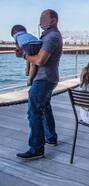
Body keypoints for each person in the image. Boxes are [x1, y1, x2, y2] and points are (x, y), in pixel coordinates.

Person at [16, 9, 63, 160]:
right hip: (49, 77)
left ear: (53, 20)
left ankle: (36, 148)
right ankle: (51, 137)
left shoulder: (52, 37)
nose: (40, 21)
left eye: (44, 18)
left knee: (34, 111)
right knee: (44, 107)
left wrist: (23, 55)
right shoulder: (49, 35)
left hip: (44, 79)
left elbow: (40, 60)